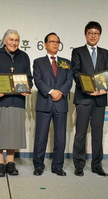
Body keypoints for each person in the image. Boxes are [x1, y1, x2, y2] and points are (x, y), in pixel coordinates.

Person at [0, 29, 33, 177]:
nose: (14, 43)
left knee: (13, 131)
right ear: (4, 41)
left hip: (16, 100)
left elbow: (29, 78)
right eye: (11, 39)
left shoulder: (24, 56)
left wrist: (28, 88)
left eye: (17, 40)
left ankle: (10, 163)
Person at [71, 21, 108, 177]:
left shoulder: (106, 53)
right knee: (80, 133)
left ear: (99, 35)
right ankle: (79, 165)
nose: (93, 36)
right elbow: (75, 72)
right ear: (85, 34)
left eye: (96, 33)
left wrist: (102, 89)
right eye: (90, 33)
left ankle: (97, 165)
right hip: (84, 97)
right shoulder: (77, 52)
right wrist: (89, 89)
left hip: (100, 98)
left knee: (97, 134)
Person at [33, 32, 73, 176]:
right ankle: (38, 165)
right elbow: (37, 80)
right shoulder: (38, 62)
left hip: (60, 104)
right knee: (40, 136)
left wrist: (59, 92)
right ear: (45, 44)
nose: (55, 44)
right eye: (52, 41)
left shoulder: (66, 62)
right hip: (44, 103)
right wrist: (51, 91)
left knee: (60, 137)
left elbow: (69, 81)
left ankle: (57, 166)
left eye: (57, 42)